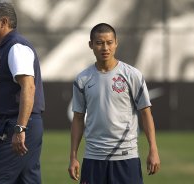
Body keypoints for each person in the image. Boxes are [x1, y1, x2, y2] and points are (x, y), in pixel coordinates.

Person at [68, 23, 160, 184]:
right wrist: (73, 156)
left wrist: (153, 149)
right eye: (99, 43)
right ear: (91, 45)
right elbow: (77, 118)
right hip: (93, 158)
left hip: (126, 157)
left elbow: (146, 114)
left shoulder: (132, 75)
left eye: (109, 42)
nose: (105, 47)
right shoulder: (82, 79)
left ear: (116, 43)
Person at [0, 1, 45, 184]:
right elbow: (6, 100)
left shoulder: (16, 48)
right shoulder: (5, 49)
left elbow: (28, 88)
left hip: (17, 127)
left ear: (4, 22)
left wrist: (20, 128)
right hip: (17, 125)